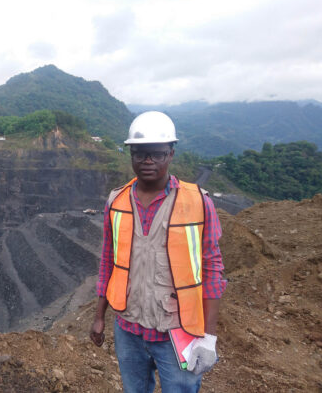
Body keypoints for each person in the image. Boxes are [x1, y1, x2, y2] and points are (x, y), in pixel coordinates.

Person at [89, 111, 226, 392]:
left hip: (179, 331)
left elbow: (212, 270)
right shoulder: (116, 202)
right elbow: (108, 262)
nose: (147, 161)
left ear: (171, 154)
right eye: (140, 154)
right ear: (131, 155)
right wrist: (100, 315)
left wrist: (209, 338)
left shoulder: (198, 203)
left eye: (157, 154)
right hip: (129, 330)